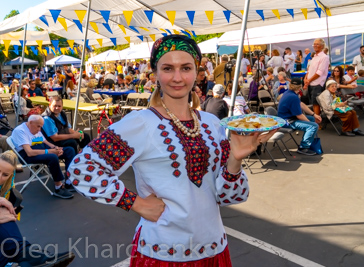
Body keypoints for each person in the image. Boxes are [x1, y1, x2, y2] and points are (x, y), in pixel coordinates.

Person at [67, 35, 277, 266]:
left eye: (185, 68)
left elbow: (231, 196)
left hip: (214, 245)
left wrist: (235, 161)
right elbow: (81, 169)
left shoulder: (211, 123)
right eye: (168, 68)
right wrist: (135, 203)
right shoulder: (140, 123)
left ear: (197, 72)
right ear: (155, 73)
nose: (177, 77)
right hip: (163, 252)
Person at [0, 151, 76, 267]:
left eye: (5, 175)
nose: (0, 177)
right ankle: (27, 256)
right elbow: (29, 151)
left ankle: (25, 259)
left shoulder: (6, 189)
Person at [10, 115, 75, 198]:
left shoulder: (35, 128)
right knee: (52, 157)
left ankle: (69, 181)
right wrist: (50, 151)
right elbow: (29, 152)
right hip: (28, 155)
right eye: (38, 127)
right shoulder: (20, 131)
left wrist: (55, 148)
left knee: (69, 150)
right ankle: (58, 187)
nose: (39, 129)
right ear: (30, 123)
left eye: (41, 127)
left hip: (41, 148)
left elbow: (46, 142)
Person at [278, 78, 322, 156]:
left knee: (312, 119)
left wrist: (314, 115)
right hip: (287, 121)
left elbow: (301, 104)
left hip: (286, 119)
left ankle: (308, 140)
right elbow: (299, 116)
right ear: (300, 86)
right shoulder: (293, 97)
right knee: (313, 126)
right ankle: (303, 147)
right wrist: (310, 123)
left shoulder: (289, 93)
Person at [303, 38, 330, 116]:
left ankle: (317, 121)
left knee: (316, 103)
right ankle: (316, 120)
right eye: (314, 44)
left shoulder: (324, 57)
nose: (315, 45)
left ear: (322, 46)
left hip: (317, 84)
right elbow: (310, 70)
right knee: (312, 103)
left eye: (317, 44)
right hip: (311, 83)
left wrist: (309, 80)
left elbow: (319, 72)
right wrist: (306, 78)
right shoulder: (314, 56)